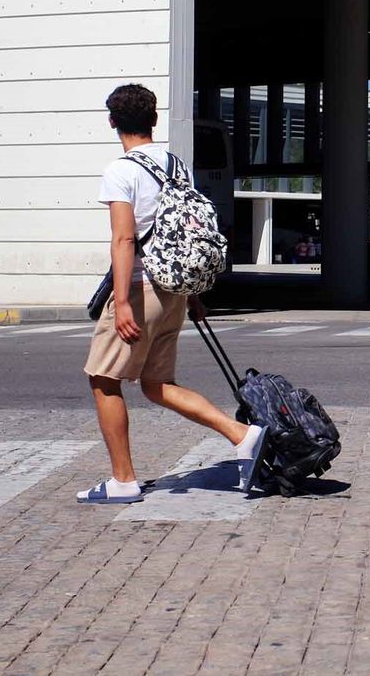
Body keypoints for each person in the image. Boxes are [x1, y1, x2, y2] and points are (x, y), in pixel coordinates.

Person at [76, 83, 267, 504]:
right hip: (175, 292)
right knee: (157, 383)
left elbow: (125, 240)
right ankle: (243, 435)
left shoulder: (120, 171)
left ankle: (123, 481)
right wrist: (192, 292)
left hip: (142, 289)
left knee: (103, 380)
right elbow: (183, 232)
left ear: (112, 122)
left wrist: (122, 301)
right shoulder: (175, 166)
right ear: (154, 120)